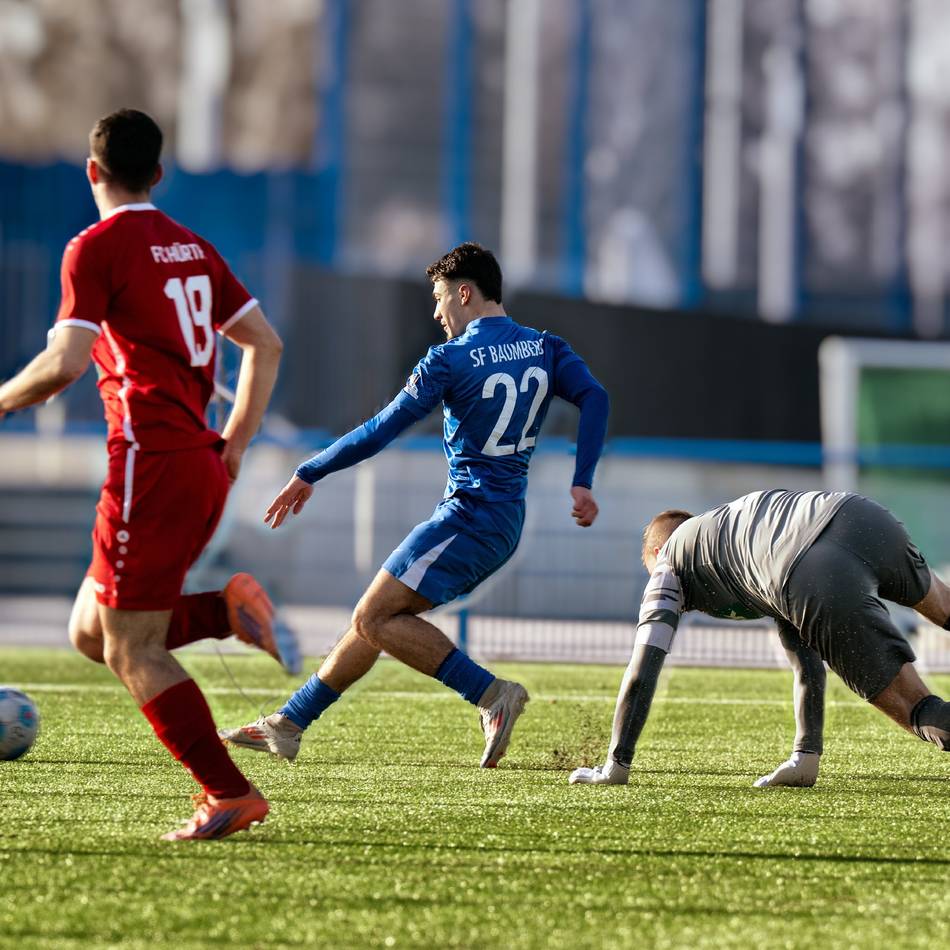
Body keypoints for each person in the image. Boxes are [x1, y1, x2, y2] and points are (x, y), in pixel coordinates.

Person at [0, 109, 289, 840]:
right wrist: (237, 443)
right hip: (199, 462)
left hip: (150, 465)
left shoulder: (94, 247)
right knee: (90, 632)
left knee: (132, 648)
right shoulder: (192, 246)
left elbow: (65, 364)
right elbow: (266, 343)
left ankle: (228, 792)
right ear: (159, 174)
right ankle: (222, 612)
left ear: (92, 171)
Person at [220, 242, 609, 768]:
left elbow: (382, 429)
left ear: (465, 292)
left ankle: (491, 694)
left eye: (441, 298)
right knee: (379, 617)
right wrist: (581, 480)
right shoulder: (546, 347)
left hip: (467, 516)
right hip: (505, 522)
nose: (437, 311)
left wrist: (310, 470)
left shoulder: (449, 359)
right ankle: (289, 723)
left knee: (374, 617)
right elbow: (595, 397)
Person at [568, 489, 950, 788]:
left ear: (655, 551)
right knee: (945, 606)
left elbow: (643, 667)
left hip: (809, 570)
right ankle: (804, 758)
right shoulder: (740, 538)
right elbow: (805, 658)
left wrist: (615, 765)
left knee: (918, 710)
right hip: (860, 515)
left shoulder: (669, 560)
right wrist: (806, 756)